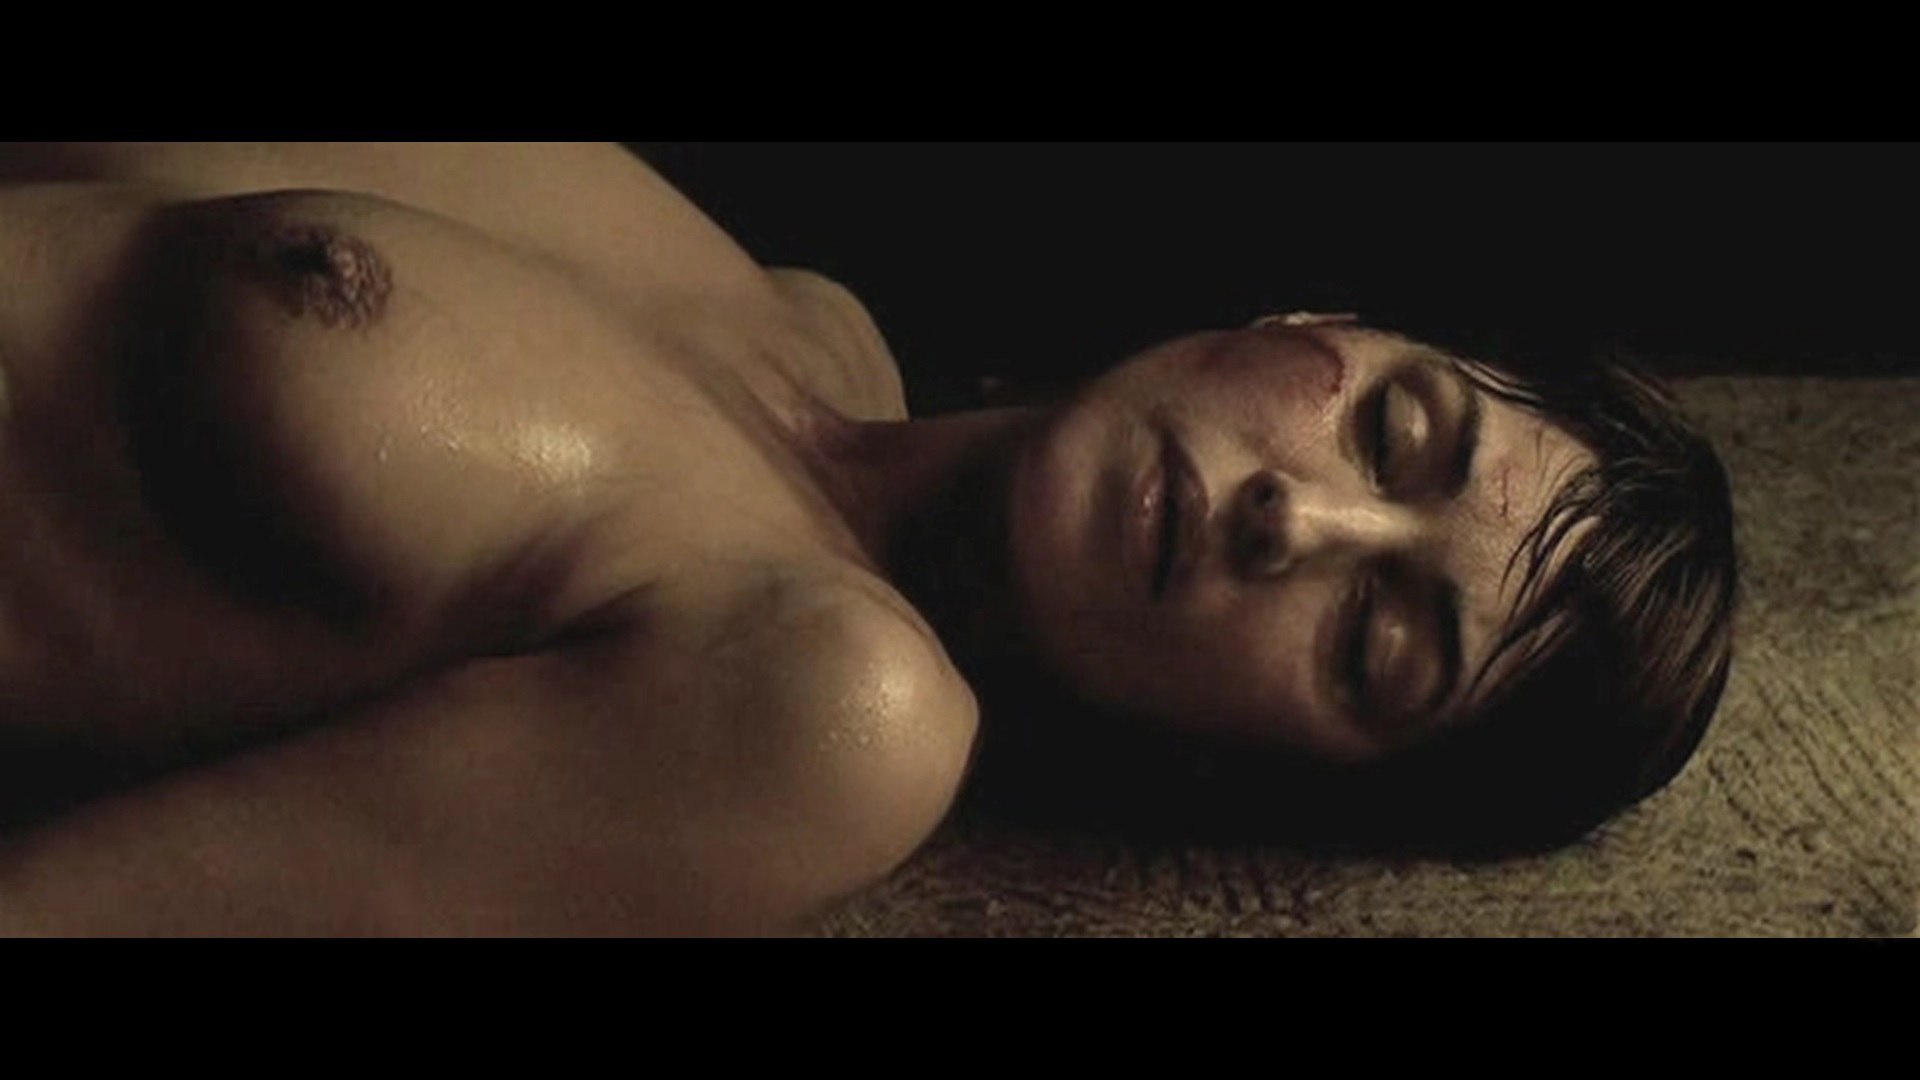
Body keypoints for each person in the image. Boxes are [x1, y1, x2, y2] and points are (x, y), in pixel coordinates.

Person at [0, 143, 1736, 935]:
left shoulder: (832, 707)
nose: (1300, 514)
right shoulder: (798, 314)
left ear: (1269, 770)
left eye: (1374, 640)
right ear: (1318, 320)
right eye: (1395, 430)